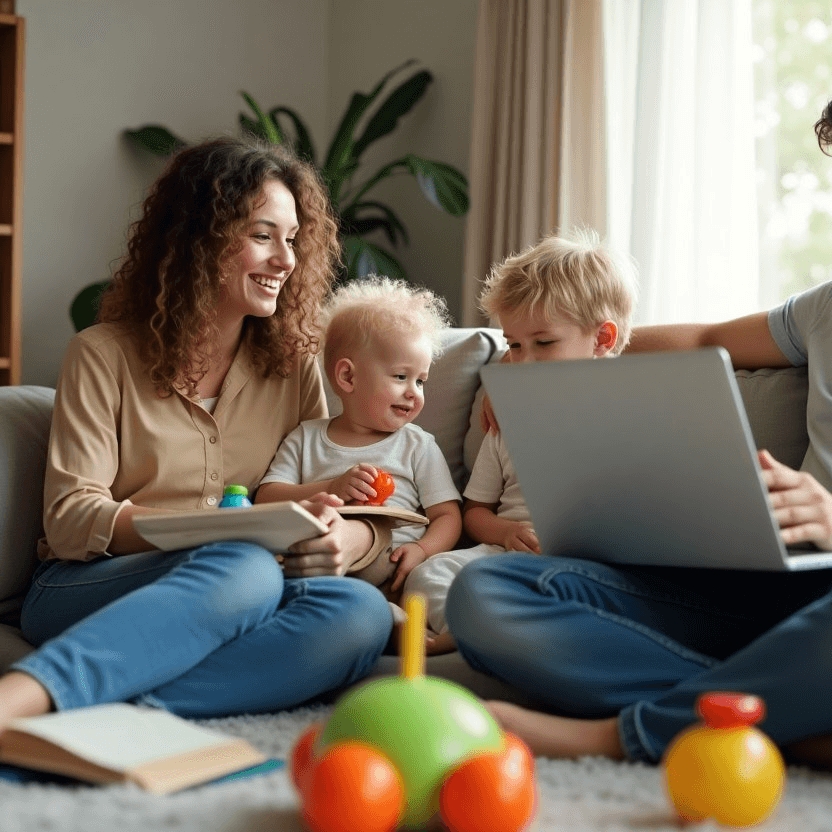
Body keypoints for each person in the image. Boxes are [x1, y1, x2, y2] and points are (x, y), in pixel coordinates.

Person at [444, 100, 832, 768]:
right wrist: (541, 377)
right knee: (486, 596)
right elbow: (706, 339)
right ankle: (771, 713)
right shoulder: (823, 309)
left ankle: (625, 734)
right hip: (771, 587)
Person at [0, 137, 395, 729]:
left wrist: (352, 542)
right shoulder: (101, 356)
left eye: (291, 240)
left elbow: (338, 495)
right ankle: (23, 699)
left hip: (252, 580)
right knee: (244, 566)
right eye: (263, 236)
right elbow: (72, 518)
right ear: (197, 240)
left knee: (360, 612)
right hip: (86, 584)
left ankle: (115, 709)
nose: (285, 260)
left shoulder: (293, 369)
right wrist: (213, 531)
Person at [404, 230, 637, 654]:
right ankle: (464, 634)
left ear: (602, 339)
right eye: (514, 344)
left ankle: (481, 635)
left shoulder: (628, 418)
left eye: (543, 343)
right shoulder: (509, 422)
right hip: (502, 555)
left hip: (578, 567)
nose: (521, 361)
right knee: (430, 574)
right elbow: (476, 511)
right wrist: (507, 531)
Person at [255, 276, 463, 621]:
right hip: (315, 558)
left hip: (393, 562)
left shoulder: (417, 445)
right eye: (400, 377)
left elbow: (447, 515)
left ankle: (392, 621)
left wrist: (422, 550)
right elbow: (266, 497)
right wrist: (331, 487)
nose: (414, 392)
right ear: (348, 378)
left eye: (420, 380)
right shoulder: (305, 438)